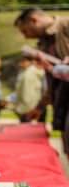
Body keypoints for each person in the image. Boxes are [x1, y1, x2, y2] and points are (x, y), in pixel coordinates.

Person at [15, 8, 69, 151]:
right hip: (63, 106)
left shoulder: (66, 25)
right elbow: (52, 83)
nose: (26, 37)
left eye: (25, 31)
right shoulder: (44, 44)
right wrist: (40, 107)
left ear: (34, 20)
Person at [13, 55, 45, 122]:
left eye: (23, 61)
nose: (21, 63)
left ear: (30, 62)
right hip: (33, 105)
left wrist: (24, 108)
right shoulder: (26, 72)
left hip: (28, 107)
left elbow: (26, 93)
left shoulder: (28, 73)